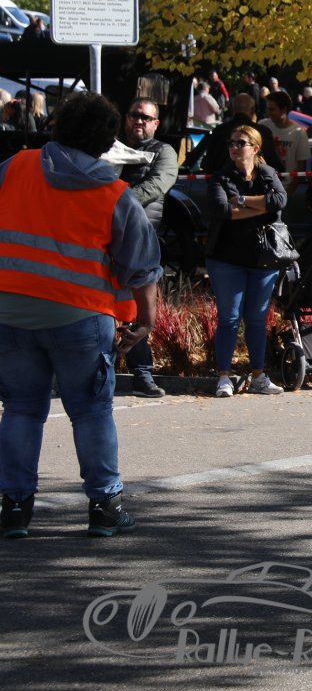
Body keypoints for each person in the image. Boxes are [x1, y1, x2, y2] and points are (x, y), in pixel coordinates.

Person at [0, 93, 161, 538]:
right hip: (81, 318)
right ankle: (105, 507)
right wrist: (145, 323)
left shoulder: (16, 167)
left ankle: (14, 509)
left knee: (21, 409)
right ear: (107, 140)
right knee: (91, 412)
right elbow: (144, 269)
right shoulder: (115, 194)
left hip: (10, 311)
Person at [205, 125, 288, 397]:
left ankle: (258, 376)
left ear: (255, 148)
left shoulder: (267, 173)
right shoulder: (221, 177)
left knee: (256, 319)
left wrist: (242, 200)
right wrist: (261, 207)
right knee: (229, 318)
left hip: (262, 259)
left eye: (240, 143)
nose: (234, 147)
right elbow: (222, 210)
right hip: (226, 259)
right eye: (231, 143)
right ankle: (223, 377)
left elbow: (280, 200)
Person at [118, 97, 179, 398]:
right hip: (104, 239)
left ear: (156, 123)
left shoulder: (163, 151)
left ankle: (142, 374)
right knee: (102, 309)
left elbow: (157, 185)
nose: (139, 121)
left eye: (146, 117)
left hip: (142, 240)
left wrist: (116, 201)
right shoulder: (110, 147)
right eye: (135, 115)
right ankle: (99, 372)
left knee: (140, 312)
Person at [259, 91, 312, 191]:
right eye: (267, 108)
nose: (268, 112)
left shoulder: (299, 133)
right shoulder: (262, 126)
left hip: (285, 188)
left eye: (272, 109)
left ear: (283, 109)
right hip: (263, 187)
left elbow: (301, 165)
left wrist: (289, 191)